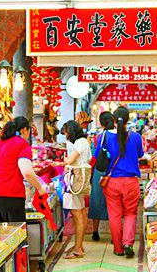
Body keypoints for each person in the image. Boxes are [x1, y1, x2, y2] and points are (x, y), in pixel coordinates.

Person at [97, 106, 144, 258]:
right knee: (130, 213)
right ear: (128, 119)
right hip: (131, 182)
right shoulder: (136, 137)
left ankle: (118, 248)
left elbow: (97, 156)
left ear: (113, 119)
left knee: (115, 215)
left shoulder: (104, 137)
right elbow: (140, 154)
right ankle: (128, 243)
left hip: (112, 181)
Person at [0, 116, 47, 223]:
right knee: (16, 232)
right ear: (24, 130)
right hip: (11, 196)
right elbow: (27, 172)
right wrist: (40, 188)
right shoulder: (22, 145)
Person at [61, 119, 91, 259]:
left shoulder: (79, 142)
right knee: (81, 213)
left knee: (77, 214)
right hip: (80, 181)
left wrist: (64, 160)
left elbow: (70, 160)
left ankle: (78, 248)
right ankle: (79, 245)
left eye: (66, 133)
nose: (65, 136)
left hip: (75, 181)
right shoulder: (84, 141)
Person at [88, 111, 115, 241]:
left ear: (101, 122)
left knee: (96, 200)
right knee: (113, 203)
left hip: (100, 171)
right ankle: (114, 234)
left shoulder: (99, 137)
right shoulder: (118, 136)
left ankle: (95, 232)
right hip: (114, 171)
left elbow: (95, 154)